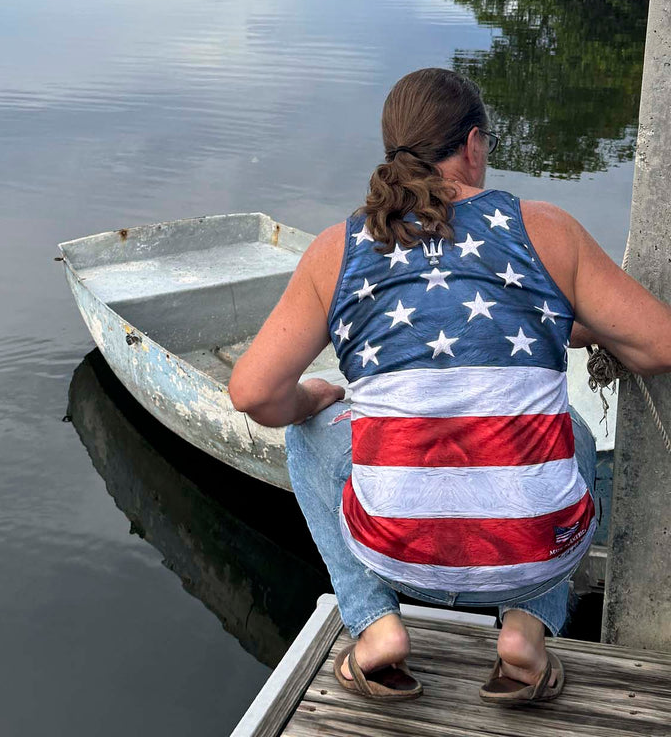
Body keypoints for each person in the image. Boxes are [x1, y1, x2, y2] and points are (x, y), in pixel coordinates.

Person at [228, 67, 671, 706]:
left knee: (308, 430)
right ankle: (524, 633)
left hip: (395, 555)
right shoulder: (545, 229)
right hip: (530, 556)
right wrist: (570, 324)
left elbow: (252, 394)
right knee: (568, 428)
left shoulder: (341, 248)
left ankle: (374, 626)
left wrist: (315, 398)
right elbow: (658, 344)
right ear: (473, 145)